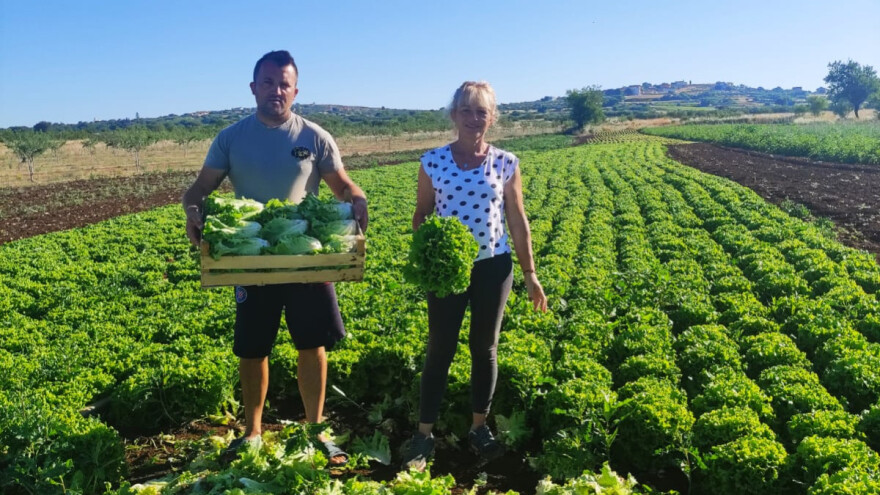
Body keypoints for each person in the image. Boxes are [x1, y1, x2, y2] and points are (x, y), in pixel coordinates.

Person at [182, 50, 367, 467]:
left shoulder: (315, 137)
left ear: (295, 90)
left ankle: (316, 429)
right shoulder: (230, 138)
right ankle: (252, 432)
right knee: (252, 349)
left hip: (306, 260)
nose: (276, 91)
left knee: (312, 344)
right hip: (254, 260)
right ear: (253, 88)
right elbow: (198, 191)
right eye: (268, 82)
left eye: (284, 84)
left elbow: (341, 185)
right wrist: (193, 211)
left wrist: (356, 198)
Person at [403, 81, 548, 470]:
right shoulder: (432, 161)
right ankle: (423, 434)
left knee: (484, 348)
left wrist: (531, 273)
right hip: (449, 271)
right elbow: (422, 216)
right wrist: (428, 253)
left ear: (492, 118)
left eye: (481, 111)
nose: (473, 118)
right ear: (454, 115)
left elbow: (517, 220)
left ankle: (479, 427)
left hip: (493, 267)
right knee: (441, 348)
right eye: (466, 110)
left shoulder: (506, 162)